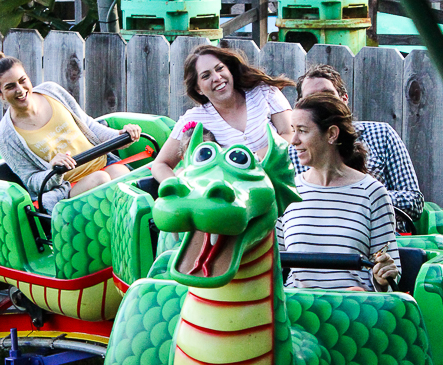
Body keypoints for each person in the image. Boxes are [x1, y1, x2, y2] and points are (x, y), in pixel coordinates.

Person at [0, 50, 141, 213]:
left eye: (22, 81)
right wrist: (54, 170)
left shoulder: (52, 91)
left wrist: (119, 136)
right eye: (10, 87)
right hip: (68, 189)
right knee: (100, 180)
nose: (20, 90)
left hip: (102, 164)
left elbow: (88, 126)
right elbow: (31, 180)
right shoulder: (5, 135)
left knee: (120, 172)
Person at [281, 92, 400, 292]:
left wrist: (382, 278)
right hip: (298, 310)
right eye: (293, 130)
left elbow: (390, 273)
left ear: (331, 134)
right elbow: (271, 265)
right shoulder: (288, 191)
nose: (293, 140)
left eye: (302, 131)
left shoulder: (373, 193)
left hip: (355, 312)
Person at [292, 64, 424, 221]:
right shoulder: (295, 150)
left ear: (344, 99)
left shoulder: (382, 135)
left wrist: (358, 196)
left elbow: (413, 201)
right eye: (312, 98)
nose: (321, 104)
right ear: (300, 104)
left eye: (328, 96)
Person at [151, 44, 295, 183]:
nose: (217, 77)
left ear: (229, 70)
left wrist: (251, 159)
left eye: (220, 69)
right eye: (206, 76)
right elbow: (160, 165)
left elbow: (290, 135)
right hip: (237, 199)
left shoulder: (264, 91)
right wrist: (180, 187)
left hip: (282, 182)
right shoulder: (194, 118)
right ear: (198, 88)